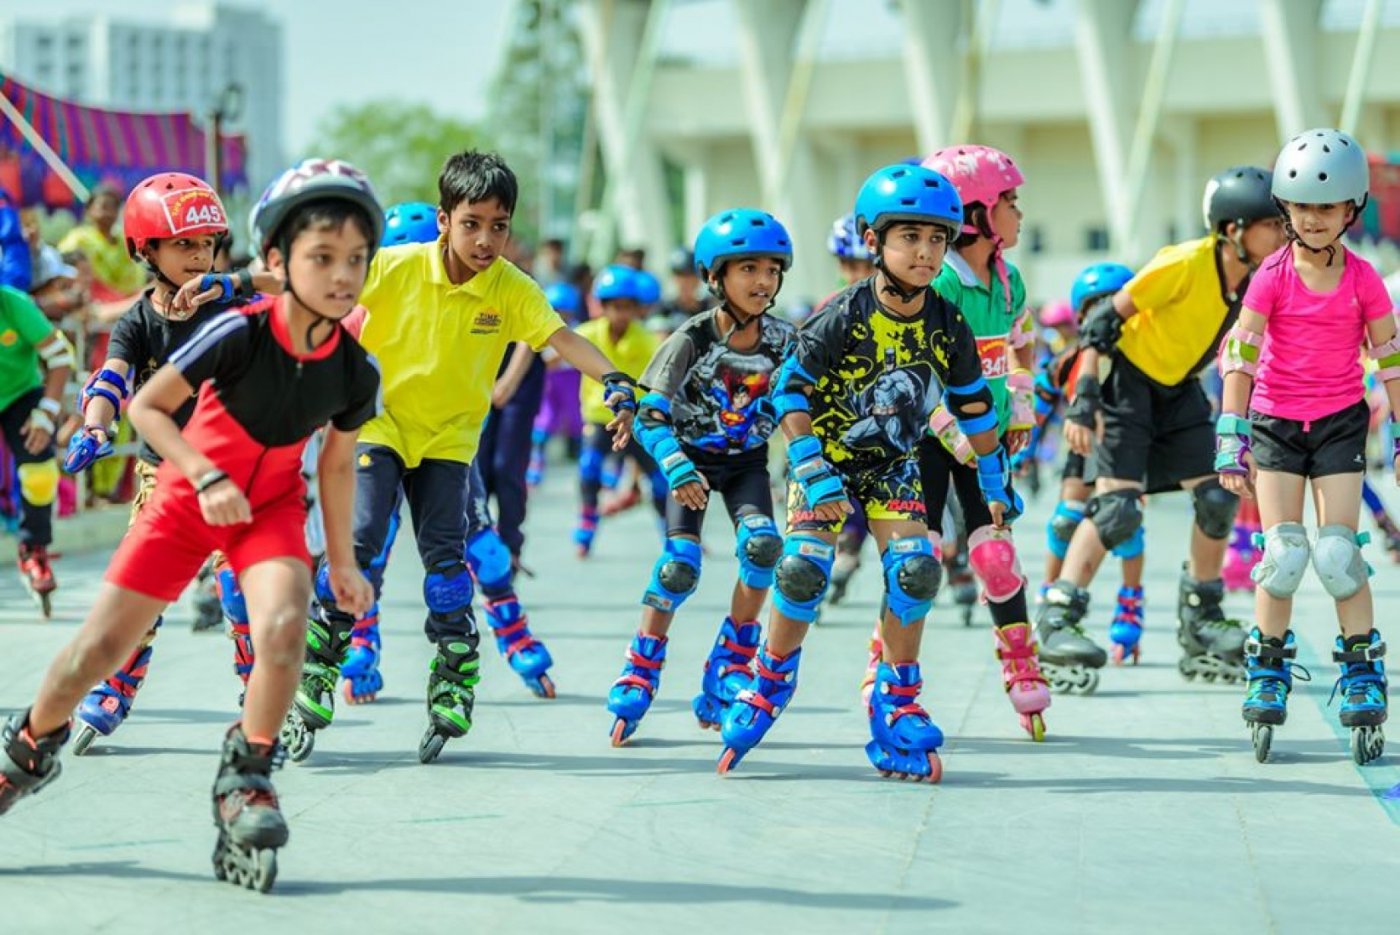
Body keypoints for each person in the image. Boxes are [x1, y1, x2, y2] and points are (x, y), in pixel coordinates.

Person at [0, 158, 383, 893]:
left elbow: (337, 467)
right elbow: (143, 404)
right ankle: (25, 747)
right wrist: (197, 471)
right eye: (322, 257)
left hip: (268, 509)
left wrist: (343, 561)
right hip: (183, 493)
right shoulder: (235, 330)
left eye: (357, 259)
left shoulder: (354, 370)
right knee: (96, 651)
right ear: (279, 259)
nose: (342, 276)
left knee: (283, 627)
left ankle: (248, 776)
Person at [281, 151, 638, 766]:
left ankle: (453, 671)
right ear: (444, 219)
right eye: (471, 223)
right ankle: (319, 667)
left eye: (499, 226)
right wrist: (234, 287)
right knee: (360, 542)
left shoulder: (511, 287)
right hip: (380, 425)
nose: (485, 240)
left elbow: (561, 337)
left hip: (449, 441)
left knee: (447, 561)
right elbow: (315, 285)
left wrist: (615, 380)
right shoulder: (395, 266)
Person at [717, 164, 1021, 781]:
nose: (926, 252)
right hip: (824, 460)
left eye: (936, 239)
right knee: (803, 571)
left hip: (892, 464)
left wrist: (993, 479)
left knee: (916, 571)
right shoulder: (842, 313)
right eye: (910, 237)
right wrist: (809, 464)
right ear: (872, 240)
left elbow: (974, 407)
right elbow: (789, 390)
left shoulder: (947, 322)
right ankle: (768, 680)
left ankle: (897, 700)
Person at [1036, 165, 1285, 693]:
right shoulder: (1186, 262)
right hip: (1127, 384)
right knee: (1117, 510)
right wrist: (1084, 398)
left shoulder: (1258, 281)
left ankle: (1201, 618)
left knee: (1218, 496)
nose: (1283, 234)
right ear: (1234, 229)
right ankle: (1057, 617)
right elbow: (1102, 322)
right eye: (1272, 224)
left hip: (1180, 392)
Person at [62, 172, 277, 753]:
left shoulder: (233, 304)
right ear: (146, 249)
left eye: (207, 243)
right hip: (165, 472)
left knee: (238, 587)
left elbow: (294, 287)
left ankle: (259, 688)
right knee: (141, 585)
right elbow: (112, 378)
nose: (200, 255)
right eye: (184, 244)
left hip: (234, 470)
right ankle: (116, 684)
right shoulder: (138, 321)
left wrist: (236, 282)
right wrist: (96, 425)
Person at [860, 143, 1048, 740]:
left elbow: (1022, 341)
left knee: (995, 554)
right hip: (926, 439)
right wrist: (959, 434)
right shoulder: (938, 283)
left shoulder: (1008, 280)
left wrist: (1020, 401)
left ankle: (1020, 660)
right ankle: (884, 656)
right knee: (920, 557)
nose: (1019, 213)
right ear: (977, 213)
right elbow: (910, 373)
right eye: (1009, 201)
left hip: (984, 436)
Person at [1217, 128, 1393, 765]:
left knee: (1340, 555)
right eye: (1302, 206)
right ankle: (1267, 668)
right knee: (1284, 554)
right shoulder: (1272, 275)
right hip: (1275, 423)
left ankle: (1362, 670)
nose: (1314, 218)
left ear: (1351, 209)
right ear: (1285, 208)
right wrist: (1230, 434)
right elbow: (1241, 354)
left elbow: (1391, 360)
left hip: (1341, 421)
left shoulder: (1364, 280)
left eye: (1327, 206)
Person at [606, 208, 795, 745]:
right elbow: (649, 416)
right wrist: (676, 465)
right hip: (689, 460)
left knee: (763, 549)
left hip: (746, 463)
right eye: (748, 269)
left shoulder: (785, 340)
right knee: (678, 567)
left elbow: (809, 398)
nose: (763, 281)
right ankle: (641, 666)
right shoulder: (690, 339)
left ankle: (731, 659)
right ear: (715, 276)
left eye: (772, 270)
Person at [1033, 262, 1149, 663]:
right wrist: (1022, 449)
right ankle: (1050, 596)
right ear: (1082, 315)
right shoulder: (1071, 358)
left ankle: (1130, 606)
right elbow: (1039, 406)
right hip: (1082, 450)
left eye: (1112, 305)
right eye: (1096, 306)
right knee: (1065, 521)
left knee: (1125, 524)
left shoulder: (1144, 357)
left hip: (1125, 450)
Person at [572, 263, 664, 557]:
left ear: (637, 308)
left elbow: (661, 379)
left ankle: (674, 534)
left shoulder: (646, 341)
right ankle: (587, 524)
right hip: (600, 419)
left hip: (637, 421)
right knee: (589, 466)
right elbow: (557, 349)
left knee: (660, 480)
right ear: (603, 306)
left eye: (627, 307)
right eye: (615, 307)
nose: (621, 314)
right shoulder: (587, 334)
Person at [0, 286, 74, 615]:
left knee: (40, 473)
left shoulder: (13, 303)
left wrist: (46, 412)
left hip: (20, 394)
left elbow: (59, 358)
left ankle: (33, 549)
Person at [526, 282, 586, 487]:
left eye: (564, 311)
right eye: (557, 311)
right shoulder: (545, 329)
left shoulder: (577, 329)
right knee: (545, 418)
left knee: (576, 419)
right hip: (552, 380)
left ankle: (584, 463)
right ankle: (536, 462)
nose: (561, 316)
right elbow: (547, 361)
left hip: (572, 380)